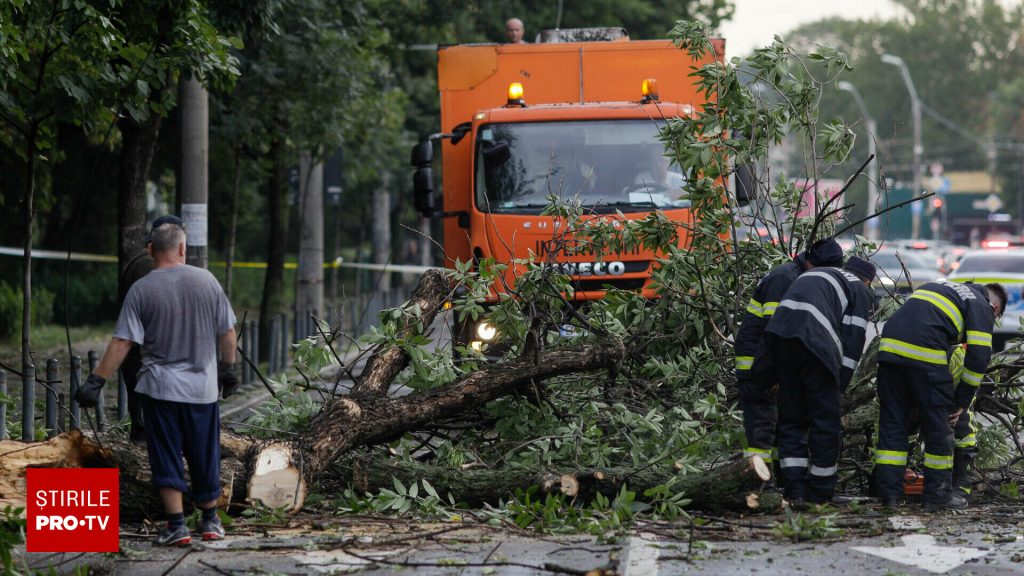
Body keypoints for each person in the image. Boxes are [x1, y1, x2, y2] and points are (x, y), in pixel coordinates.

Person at [76, 215, 240, 546]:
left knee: (165, 454)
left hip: (160, 389)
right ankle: (210, 522)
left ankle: (177, 526)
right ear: (182, 247)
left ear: (152, 250)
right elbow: (227, 332)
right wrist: (227, 369)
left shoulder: (142, 289)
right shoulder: (207, 281)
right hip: (202, 391)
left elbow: (123, 342)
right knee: (203, 453)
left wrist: (96, 381)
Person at [873, 279, 1005, 511]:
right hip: (925, 354)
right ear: (994, 309)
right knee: (939, 426)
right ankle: (937, 497)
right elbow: (978, 359)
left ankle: (888, 495)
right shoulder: (981, 305)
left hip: (889, 350)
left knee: (894, 423)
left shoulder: (940, 287)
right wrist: (961, 403)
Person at [758, 256, 875, 505]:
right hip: (814, 343)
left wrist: (769, 376)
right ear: (868, 281)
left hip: (780, 338)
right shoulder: (860, 289)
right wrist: (838, 386)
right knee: (825, 421)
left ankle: (794, 490)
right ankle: (820, 492)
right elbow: (853, 344)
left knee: (792, 420)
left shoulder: (822, 274)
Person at [734, 239, 844, 469]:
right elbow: (774, 330)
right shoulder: (785, 279)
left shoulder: (799, 277)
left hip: (769, 364)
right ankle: (757, 485)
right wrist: (771, 375)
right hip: (757, 367)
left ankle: (778, 484)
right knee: (761, 431)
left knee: (778, 429)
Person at [118, 224, 160, 442]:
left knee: (141, 413)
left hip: (137, 350)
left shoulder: (139, 262)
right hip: (146, 350)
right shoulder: (150, 266)